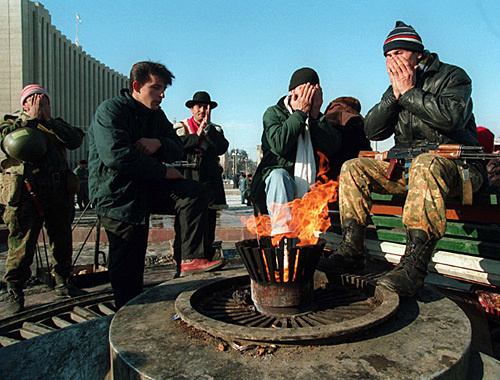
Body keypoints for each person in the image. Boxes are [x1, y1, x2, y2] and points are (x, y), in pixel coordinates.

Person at [318, 21, 487, 298]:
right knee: (353, 167)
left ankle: (414, 267)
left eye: (398, 53)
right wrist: (393, 98)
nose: (391, 61)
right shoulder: (396, 88)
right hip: (410, 170)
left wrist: (410, 93)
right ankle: (351, 250)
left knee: (426, 163)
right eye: (387, 55)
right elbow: (373, 130)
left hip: (459, 168)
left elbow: (452, 118)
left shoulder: (453, 77)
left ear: (417, 54)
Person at [88, 62, 223, 309]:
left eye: (164, 89)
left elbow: (176, 145)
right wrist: (161, 170)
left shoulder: (156, 115)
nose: (162, 95)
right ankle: (126, 316)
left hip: (146, 187)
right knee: (129, 265)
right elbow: (116, 157)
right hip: (118, 195)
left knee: (196, 192)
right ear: (136, 86)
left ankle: (190, 259)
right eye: (156, 88)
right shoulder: (110, 111)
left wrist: (157, 143)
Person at [0, 84, 85, 314]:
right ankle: (15, 291)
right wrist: (30, 121)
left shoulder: (56, 126)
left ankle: (63, 283)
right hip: (27, 192)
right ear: (24, 104)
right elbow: (8, 140)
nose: (40, 103)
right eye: (34, 99)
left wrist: (48, 121)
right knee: (21, 243)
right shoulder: (11, 124)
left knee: (62, 238)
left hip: (58, 191)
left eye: (44, 99)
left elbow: (76, 139)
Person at [250, 67, 341, 236]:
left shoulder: (318, 119)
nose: (309, 93)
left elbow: (332, 147)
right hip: (277, 190)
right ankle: (283, 236)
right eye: (304, 88)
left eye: (314, 88)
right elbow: (279, 145)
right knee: (278, 175)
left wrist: (314, 117)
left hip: (310, 191)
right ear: (292, 92)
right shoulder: (274, 113)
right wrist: (299, 114)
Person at [174, 91, 229, 261]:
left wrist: (207, 130)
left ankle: (206, 257)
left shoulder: (215, 129)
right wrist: (195, 137)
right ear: (192, 109)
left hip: (208, 181)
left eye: (206, 107)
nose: (202, 111)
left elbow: (221, 147)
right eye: (199, 107)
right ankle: (182, 258)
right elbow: (175, 147)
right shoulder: (181, 128)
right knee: (186, 221)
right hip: (188, 179)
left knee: (208, 221)